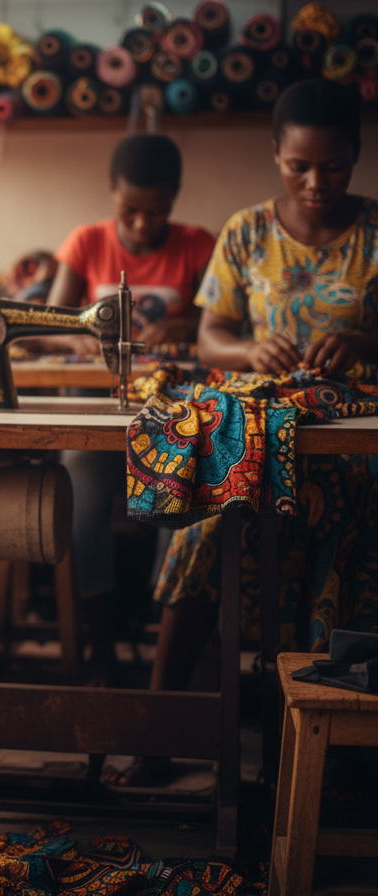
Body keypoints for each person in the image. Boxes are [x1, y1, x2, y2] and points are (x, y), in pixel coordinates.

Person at [111, 78, 378, 788]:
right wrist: (249, 352)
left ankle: (332, 745)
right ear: (275, 156)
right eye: (299, 166)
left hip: (351, 434)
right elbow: (212, 338)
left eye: (334, 165)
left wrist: (363, 347)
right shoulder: (248, 231)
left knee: (355, 512)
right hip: (259, 425)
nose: (316, 181)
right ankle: (161, 731)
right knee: (205, 520)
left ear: (356, 155)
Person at [46, 134, 215, 684]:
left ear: (176, 198)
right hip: (98, 416)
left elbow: (224, 327)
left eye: (157, 210)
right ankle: (100, 648)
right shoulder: (87, 242)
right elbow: (52, 324)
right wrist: (78, 339)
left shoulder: (197, 245)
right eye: (131, 210)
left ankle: (163, 656)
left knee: (184, 508)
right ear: (112, 193)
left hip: (173, 421)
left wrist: (187, 324)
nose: (143, 225)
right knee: (78, 495)